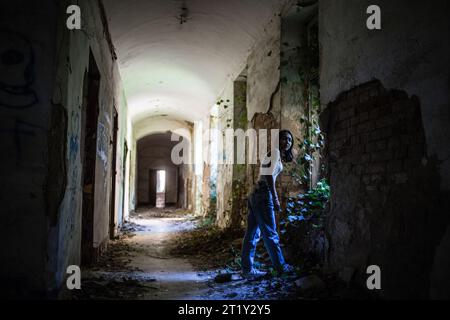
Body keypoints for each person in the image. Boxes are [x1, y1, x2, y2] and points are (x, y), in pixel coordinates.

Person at [241, 129, 295, 278]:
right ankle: (281, 267)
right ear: (279, 140)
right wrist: (275, 198)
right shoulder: (275, 152)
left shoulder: (274, 153)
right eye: (284, 139)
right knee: (270, 233)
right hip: (263, 195)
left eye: (290, 140)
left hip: (256, 194)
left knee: (252, 234)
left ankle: (247, 269)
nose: (287, 142)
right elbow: (269, 175)